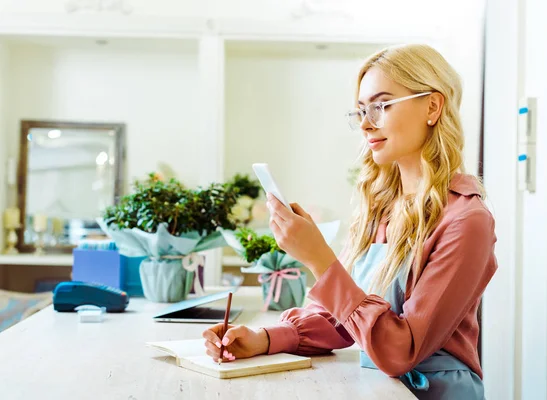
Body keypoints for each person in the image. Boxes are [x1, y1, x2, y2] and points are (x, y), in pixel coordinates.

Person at [203, 44, 497, 399]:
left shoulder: (467, 221)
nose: (365, 123)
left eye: (381, 105)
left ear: (432, 107)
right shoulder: (381, 209)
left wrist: (317, 258)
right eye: (360, 110)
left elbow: (400, 350)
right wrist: (263, 339)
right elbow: (346, 319)